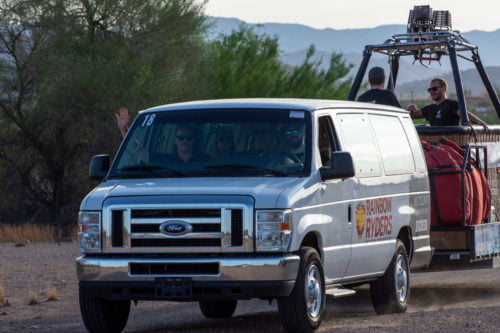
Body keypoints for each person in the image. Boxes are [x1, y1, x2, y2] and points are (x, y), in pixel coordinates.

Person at [407, 78, 489, 131]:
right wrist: (410, 109)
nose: (432, 92)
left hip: (449, 145)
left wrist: (479, 122)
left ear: (443, 89)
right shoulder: (430, 108)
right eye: (430, 89)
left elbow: (464, 114)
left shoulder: (452, 104)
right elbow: (413, 116)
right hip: (433, 145)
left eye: (434, 89)